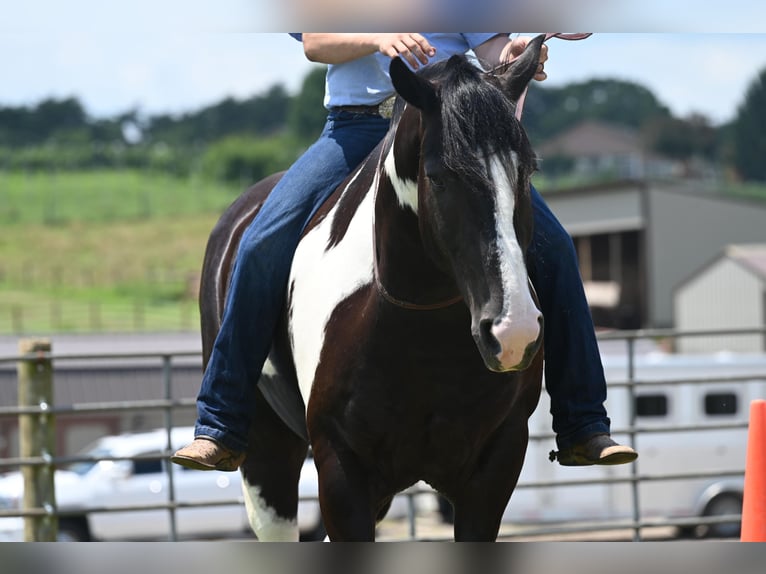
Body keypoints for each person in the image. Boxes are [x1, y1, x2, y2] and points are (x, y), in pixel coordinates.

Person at [172, 33, 637, 472]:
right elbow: (316, 43)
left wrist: (511, 51)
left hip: (446, 124)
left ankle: (582, 423)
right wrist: (377, 38)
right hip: (357, 126)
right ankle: (222, 423)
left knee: (555, 248)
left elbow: (490, 44)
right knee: (257, 245)